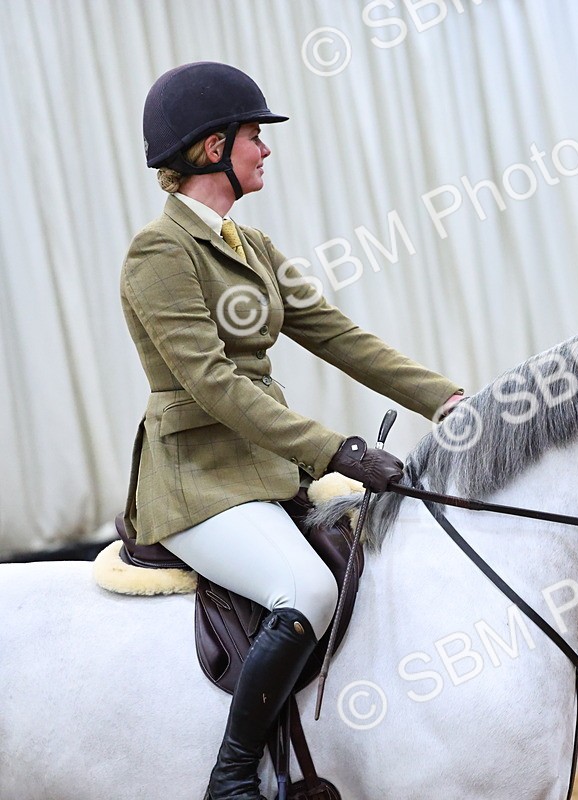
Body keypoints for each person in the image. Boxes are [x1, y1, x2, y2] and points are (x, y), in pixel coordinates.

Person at [121, 61, 464, 800]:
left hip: (265, 471)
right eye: (253, 136)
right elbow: (212, 384)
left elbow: (339, 335)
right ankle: (233, 776)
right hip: (197, 484)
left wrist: (447, 399)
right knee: (305, 589)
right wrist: (333, 449)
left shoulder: (255, 249)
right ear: (212, 148)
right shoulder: (159, 253)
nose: (265, 150)